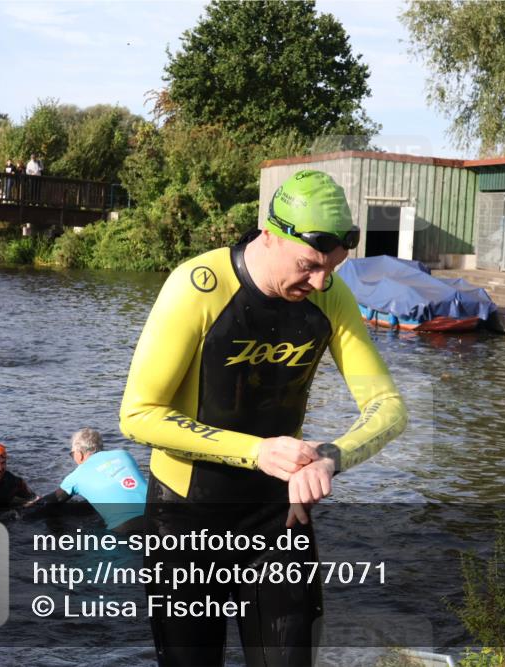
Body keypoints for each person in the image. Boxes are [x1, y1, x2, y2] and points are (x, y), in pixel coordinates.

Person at [119, 169, 407, 665]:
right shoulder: (197, 287)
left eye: (331, 268)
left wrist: (328, 458)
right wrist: (255, 450)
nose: (319, 282)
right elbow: (139, 415)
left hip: (279, 516)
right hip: (187, 515)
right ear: (268, 235)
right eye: (309, 265)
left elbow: (389, 407)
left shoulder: (328, 296)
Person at [23, 428, 146, 535]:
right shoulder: (124, 454)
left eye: (72, 454)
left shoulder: (75, 476)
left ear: (80, 454)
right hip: (158, 514)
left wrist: (30, 505)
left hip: (125, 528)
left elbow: (53, 500)